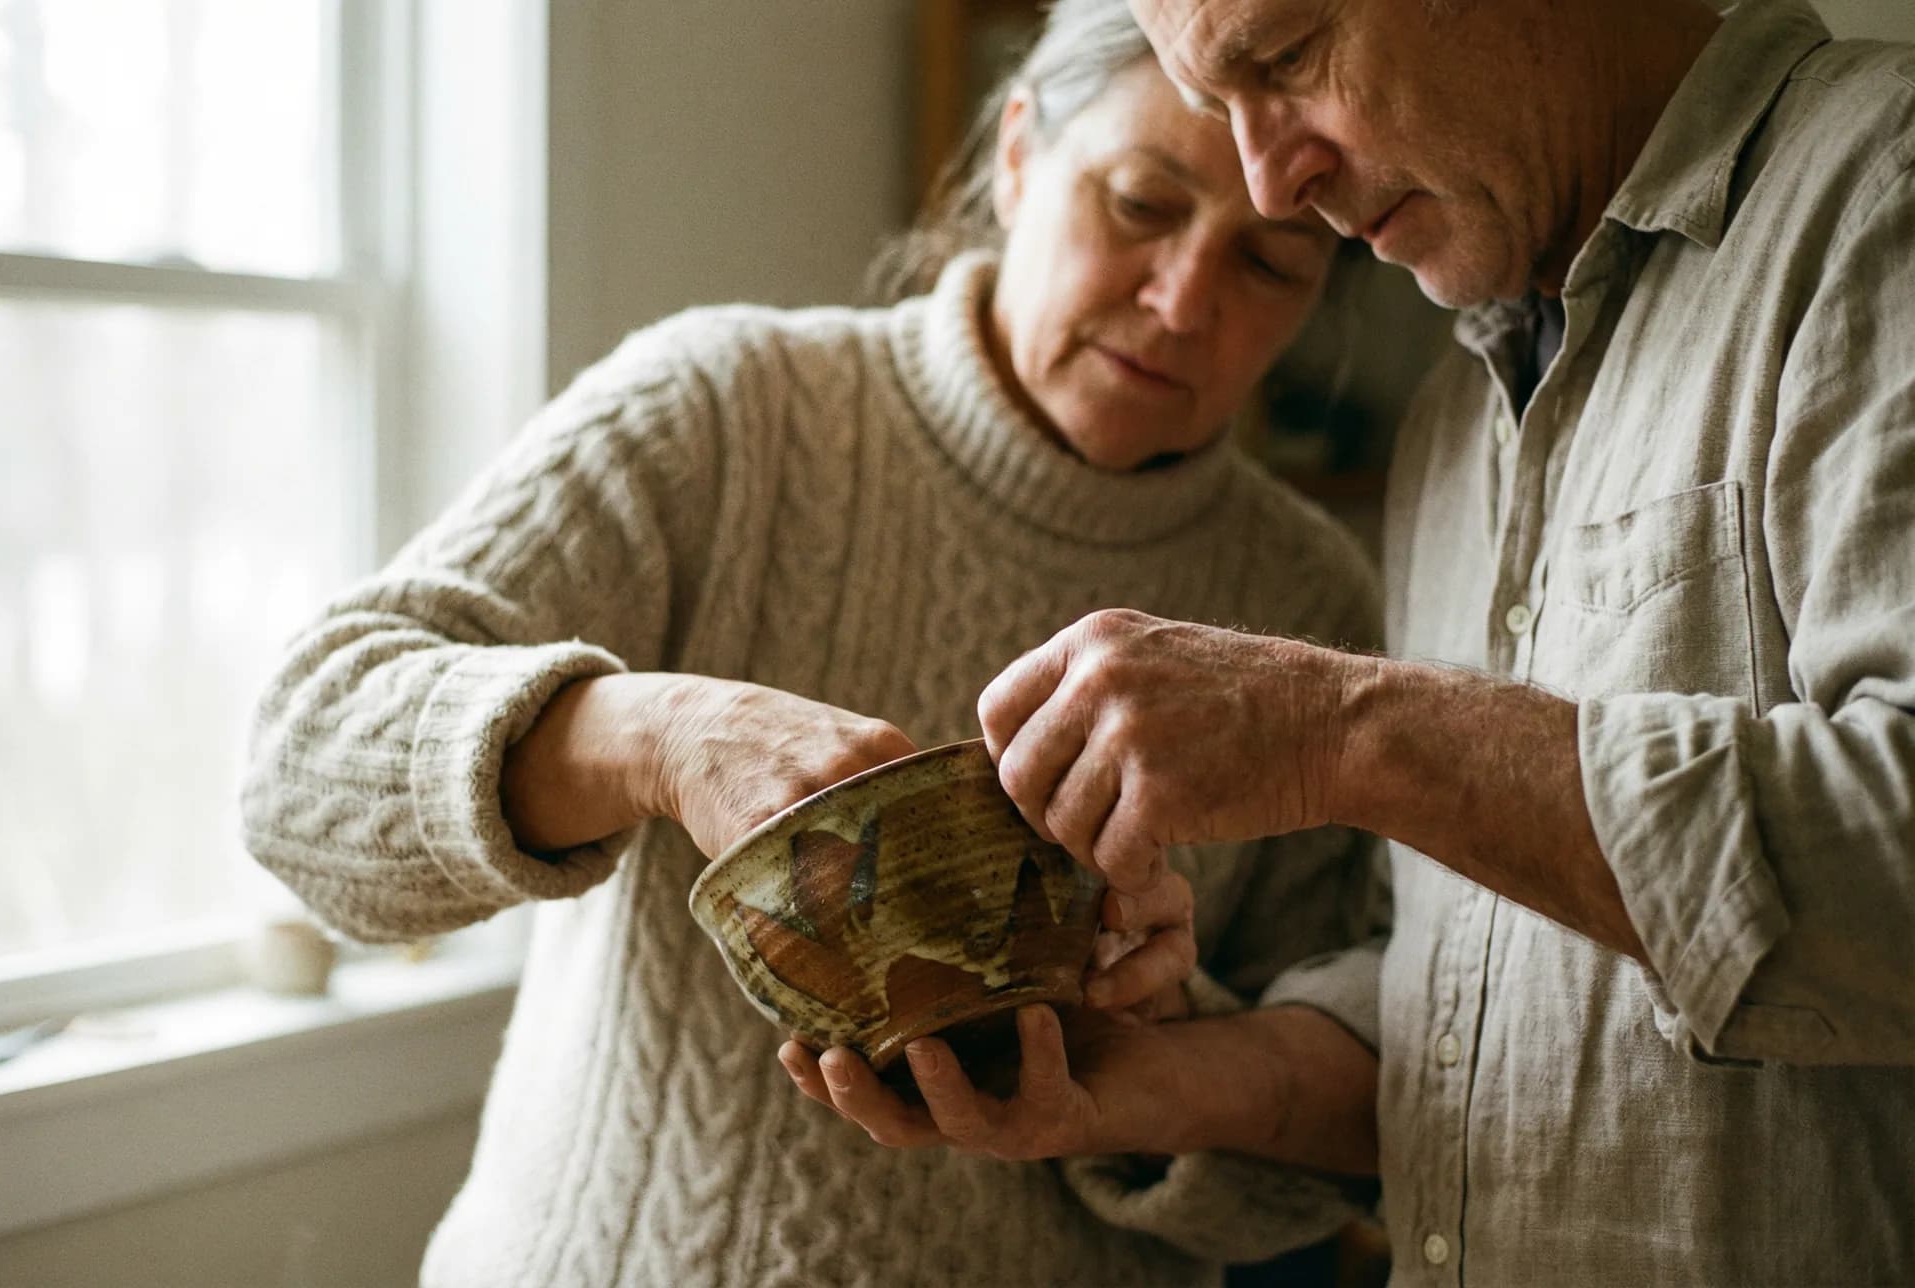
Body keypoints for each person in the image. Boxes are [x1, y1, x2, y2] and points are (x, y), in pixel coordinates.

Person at [241, 1, 1388, 1283]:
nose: (1183, 303)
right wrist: (662, 739)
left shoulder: (1312, 608)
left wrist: (1159, 1038)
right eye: (1138, 203)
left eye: (1271, 265)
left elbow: (1331, 1162)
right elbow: (300, 771)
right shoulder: (727, 414)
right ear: (1017, 158)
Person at [786, 0, 1915, 1283]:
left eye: (1288, 59)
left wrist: (1346, 734)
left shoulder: (1885, 195)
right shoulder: (1448, 424)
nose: (1276, 179)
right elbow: (1458, 1007)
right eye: (1219, 111)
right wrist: (1157, 1081)